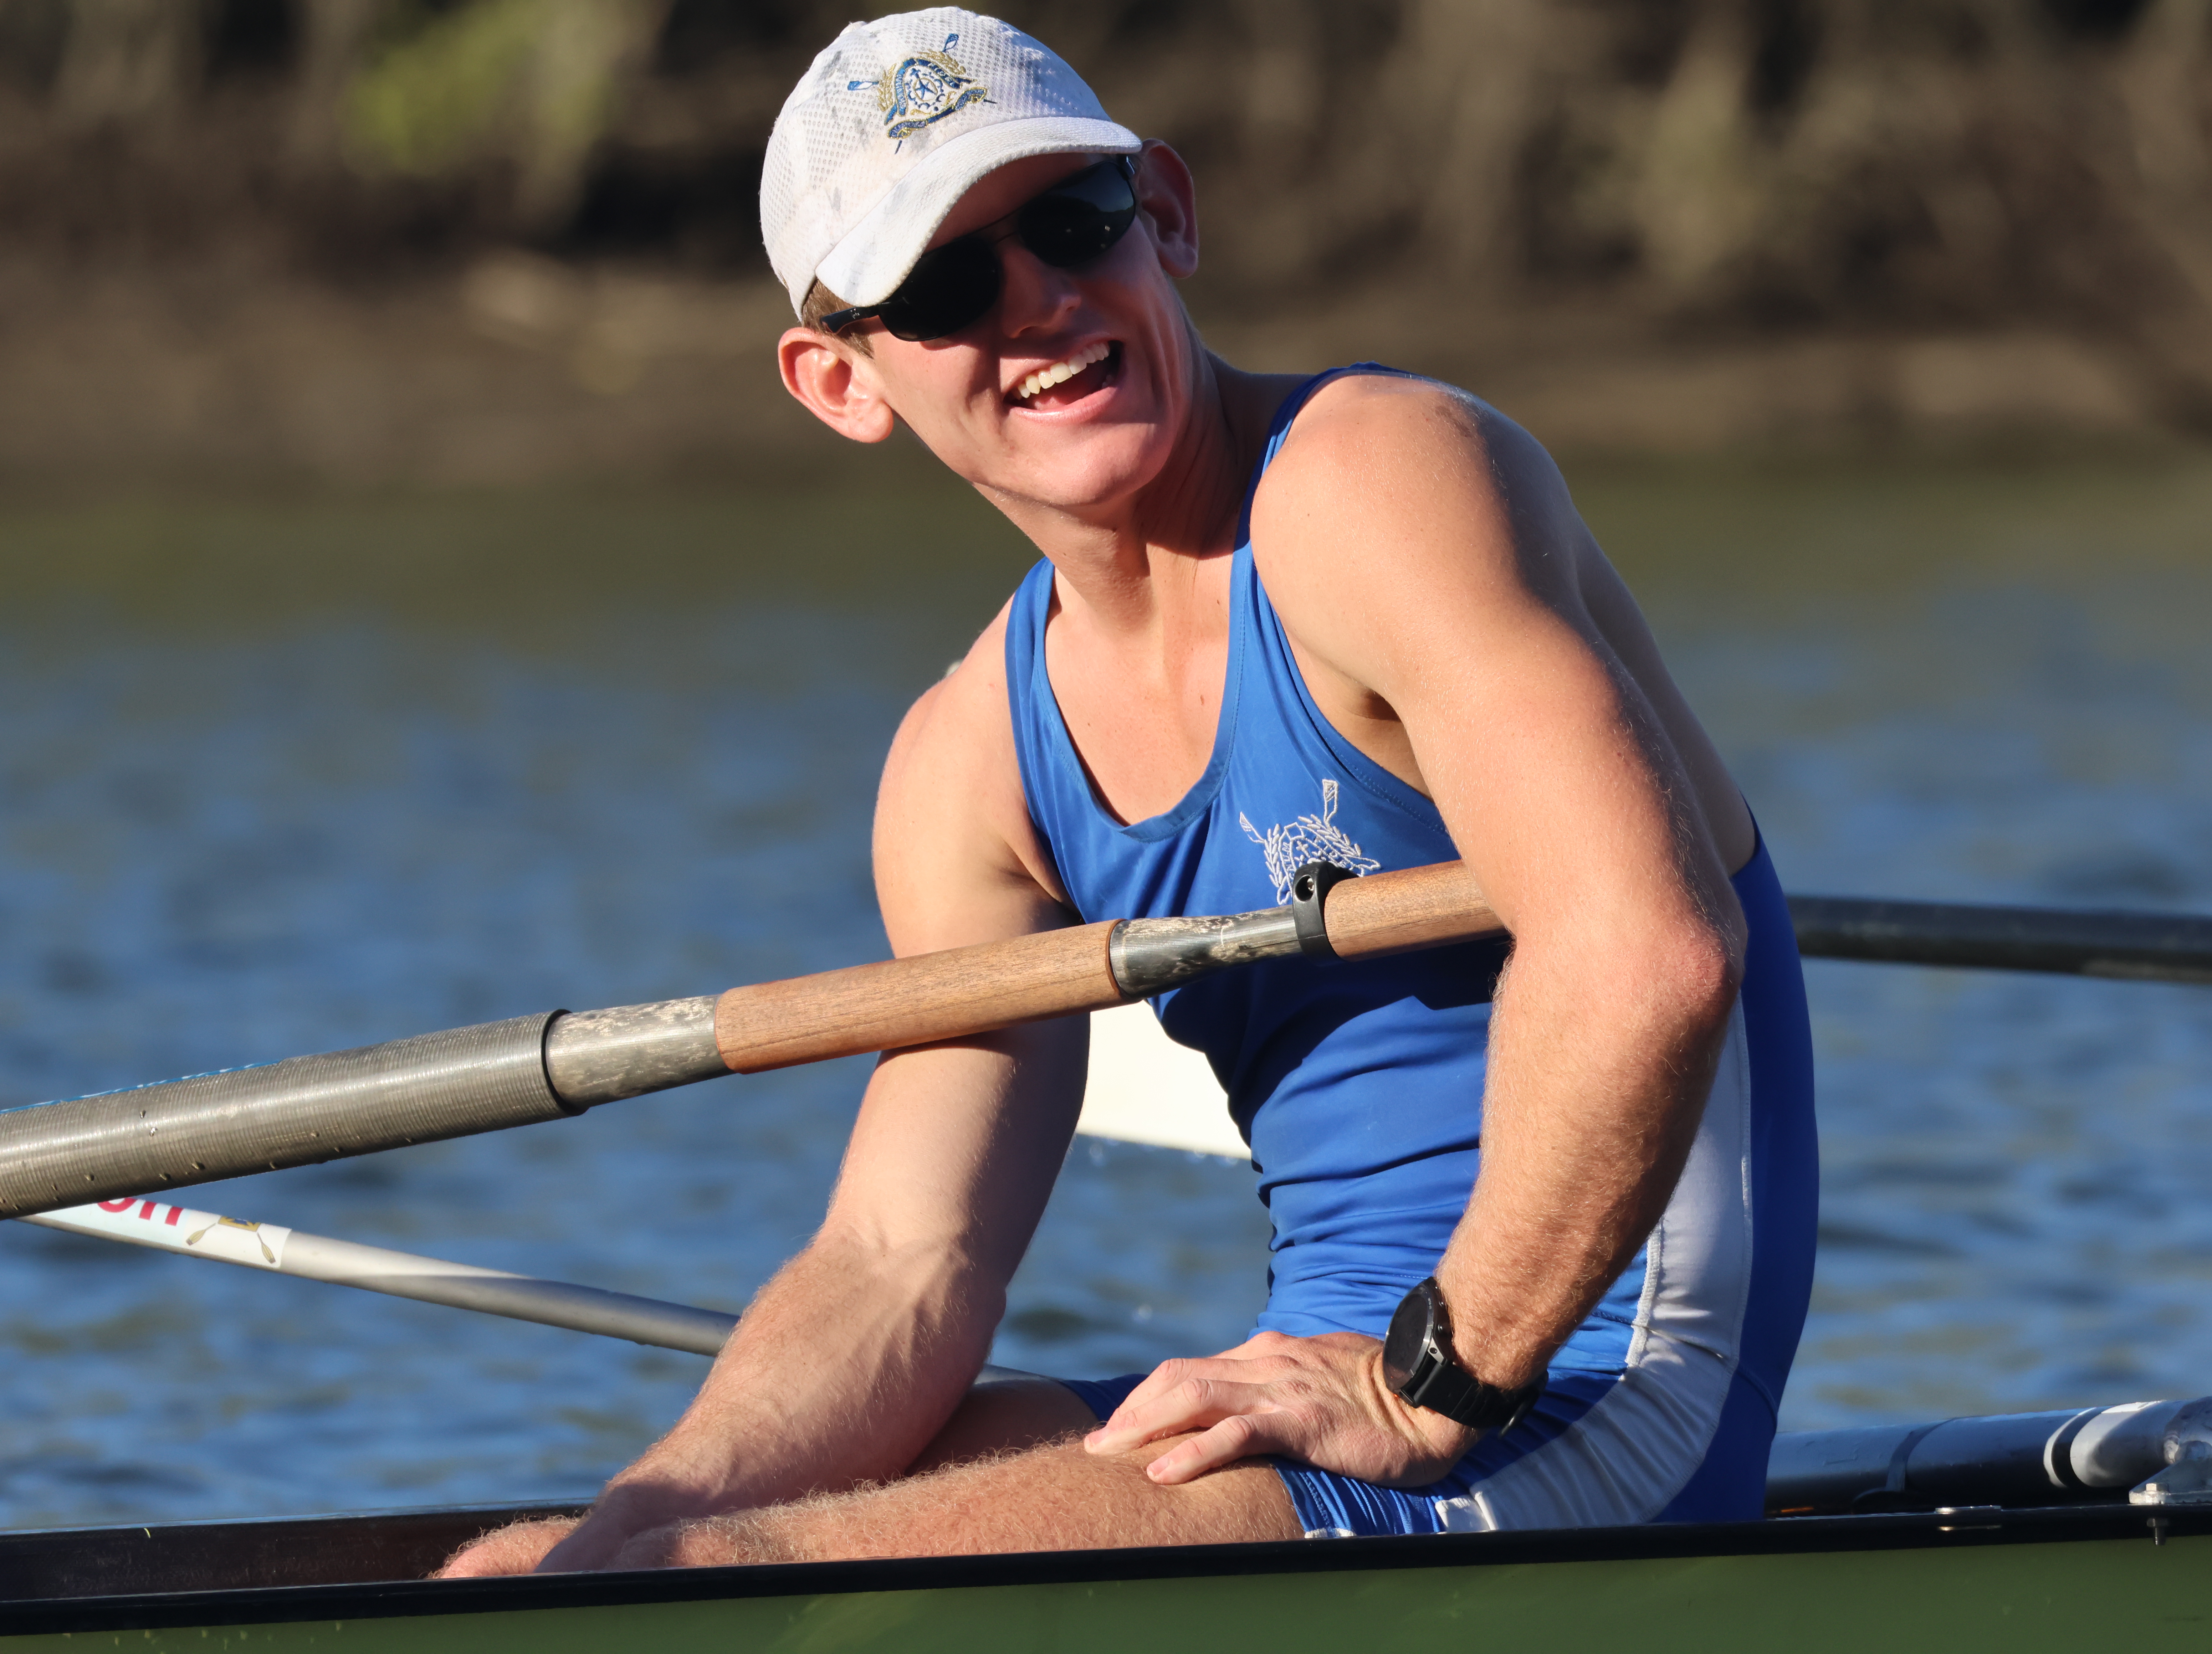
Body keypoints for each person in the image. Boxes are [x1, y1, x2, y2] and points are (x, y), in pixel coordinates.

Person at [441, 5, 1815, 1574]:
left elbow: (1648, 952)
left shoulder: (1376, 482)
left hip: (1568, 1387)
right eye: (949, 284)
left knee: (723, 1576)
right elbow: (903, 1256)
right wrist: (632, 1527)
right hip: (1340, 1394)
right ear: (842, 379)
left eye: (1071, 224)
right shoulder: (968, 757)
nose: (1038, 300)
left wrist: (1428, 1381)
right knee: (561, 1560)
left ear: (1164, 211)